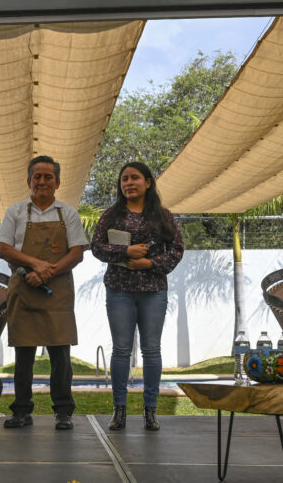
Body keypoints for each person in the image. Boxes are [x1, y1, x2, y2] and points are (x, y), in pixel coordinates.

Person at [0, 155, 87, 430]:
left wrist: (49, 271)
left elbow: (77, 252)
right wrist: (34, 265)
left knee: (61, 355)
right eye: (38, 176)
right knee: (24, 355)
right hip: (23, 289)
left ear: (57, 182)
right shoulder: (15, 212)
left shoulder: (68, 213)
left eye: (48, 177)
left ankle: (63, 411)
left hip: (57, 291)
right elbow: (4, 248)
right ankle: (22, 410)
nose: (43, 181)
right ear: (29, 181)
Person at [90, 162, 183, 431]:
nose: (128, 183)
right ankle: (119, 411)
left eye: (134, 178)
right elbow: (97, 247)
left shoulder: (163, 215)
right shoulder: (111, 215)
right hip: (119, 290)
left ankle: (150, 411)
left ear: (148, 182)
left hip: (153, 292)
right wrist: (126, 253)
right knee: (121, 350)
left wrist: (150, 264)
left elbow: (177, 250)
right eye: (124, 179)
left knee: (151, 350)